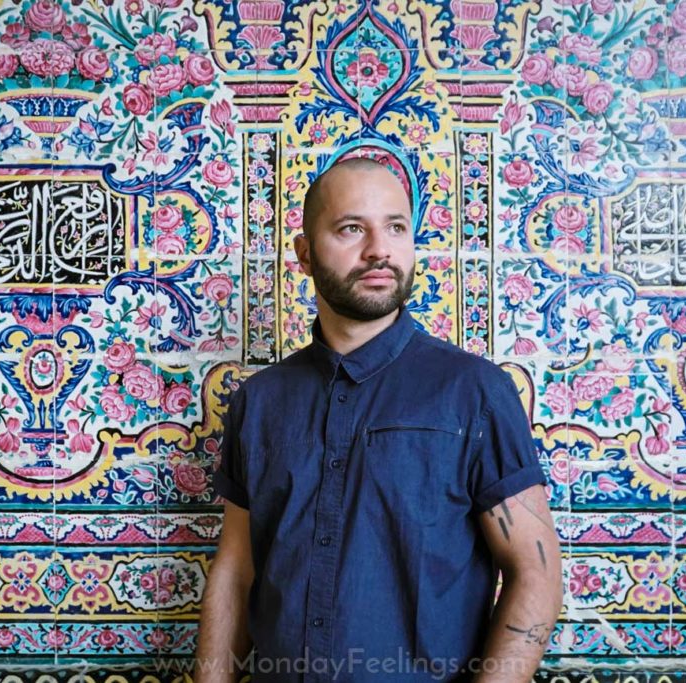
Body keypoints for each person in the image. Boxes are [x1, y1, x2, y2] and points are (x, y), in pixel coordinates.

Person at [196, 157, 562, 682]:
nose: (379, 250)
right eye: (351, 229)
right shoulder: (259, 401)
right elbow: (235, 571)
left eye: (396, 227)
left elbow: (536, 575)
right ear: (304, 253)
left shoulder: (475, 392)